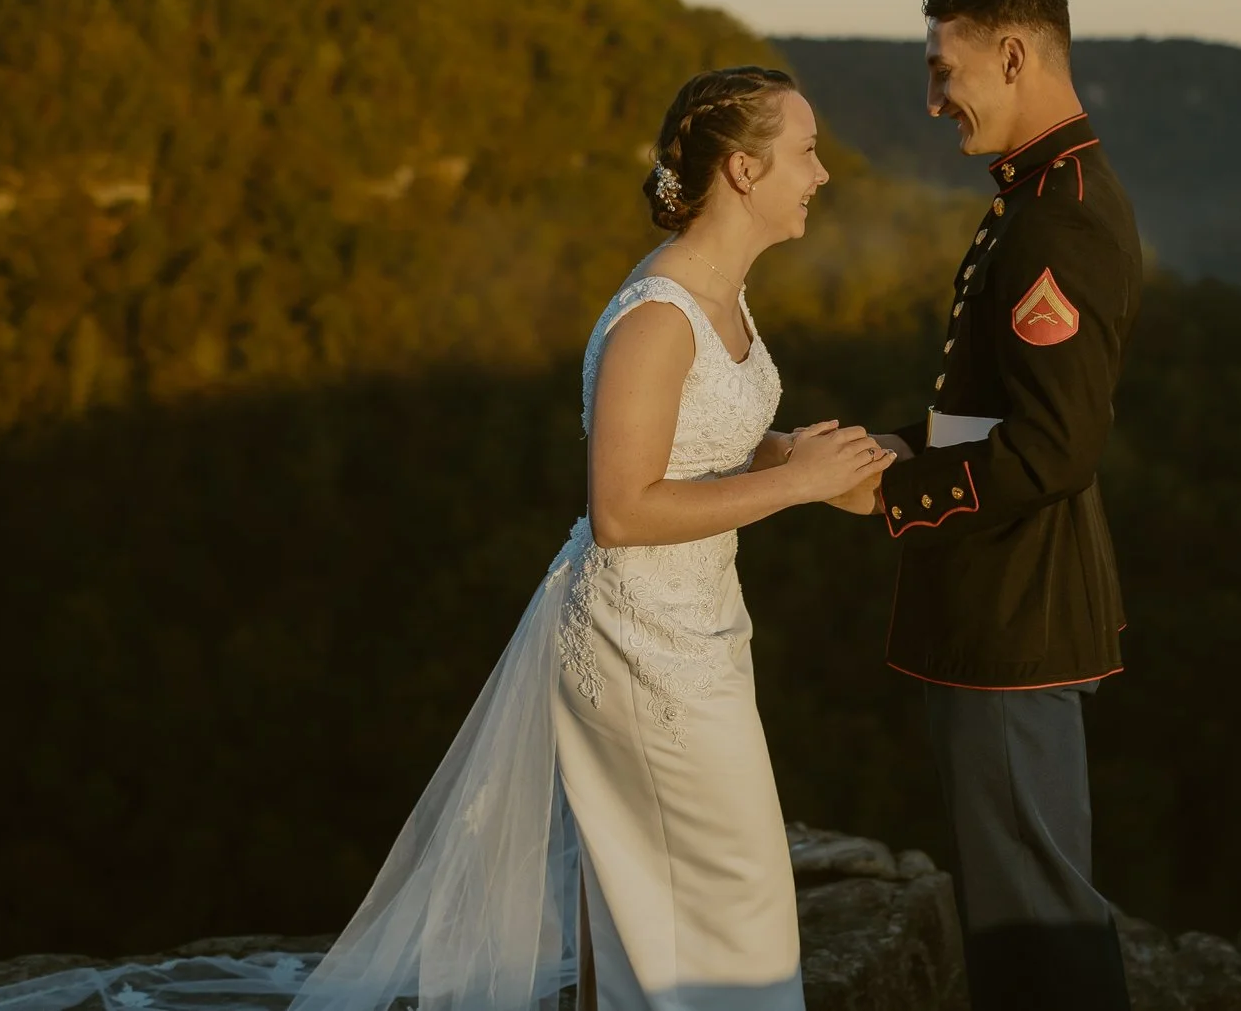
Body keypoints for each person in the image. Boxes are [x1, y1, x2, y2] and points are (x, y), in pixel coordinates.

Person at [290, 64, 891, 1011]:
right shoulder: (659, 316)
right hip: (634, 640)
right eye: (807, 151)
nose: (822, 174)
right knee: (732, 908)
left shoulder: (724, 294)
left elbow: (708, 439)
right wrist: (792, 483)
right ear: (742, 169)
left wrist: (816, 457)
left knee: (691, 906)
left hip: (700, 630)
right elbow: (622, 509)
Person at [863, 0, 1140, 1011]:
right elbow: (985, 408)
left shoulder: (1058, 215)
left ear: (1013, 54)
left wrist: (897, 495)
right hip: (1002, 605)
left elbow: (1054, 448)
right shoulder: (1034, 195)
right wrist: (887, 446)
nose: (933, 100)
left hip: (1014, 609)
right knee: (1017, 912)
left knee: (1037, 929)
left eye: (945, 71)